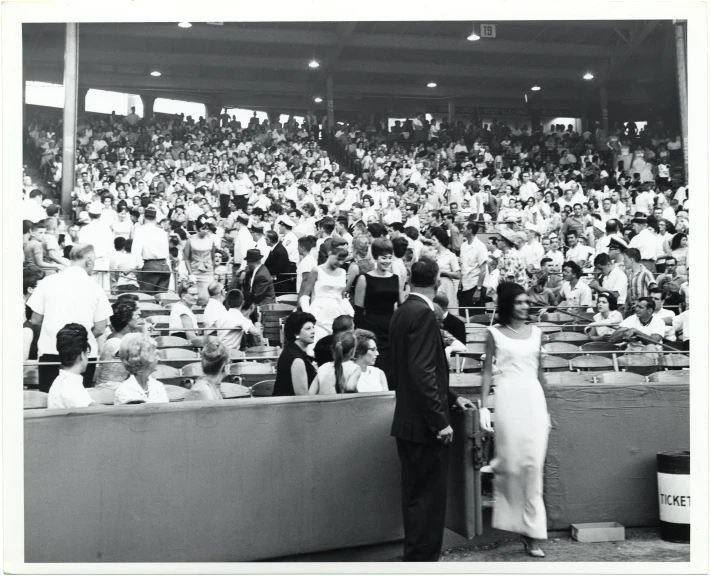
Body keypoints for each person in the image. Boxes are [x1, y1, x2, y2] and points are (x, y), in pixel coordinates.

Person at [389, 257, 474, 561]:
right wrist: (441, 420)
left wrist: (451, 397)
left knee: (415, 500)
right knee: (428, 502)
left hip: (407, 420)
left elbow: (417, 369)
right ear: (438, 282)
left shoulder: (401, 312)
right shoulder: (423, 313)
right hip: (425, 425)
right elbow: (424, 372)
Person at [480, 282, 549, 558]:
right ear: (508, 304)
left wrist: (547, 408)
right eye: (519, 302)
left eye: (526, 302)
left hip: (533, 399)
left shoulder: (537, 333)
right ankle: (519, 525)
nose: (525, 306)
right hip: (507, 399)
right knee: (513, 466)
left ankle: (532, 533)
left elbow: (540, 372)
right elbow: (486, 373)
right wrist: (484, 407)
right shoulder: (493, 333)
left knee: (533, 466)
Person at [27, 244, 113, 392]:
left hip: (51, 350)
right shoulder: (96, 287)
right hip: (81, 355)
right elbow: (100, 328)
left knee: (50, 403)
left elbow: (35, 320)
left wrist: (54, 334)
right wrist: (77, 339)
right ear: (89, 261)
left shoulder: (47, 282)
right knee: (80, 408)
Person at [353, 238, 400, 382]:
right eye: (383, 258)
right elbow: (359, 310)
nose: (386, 261)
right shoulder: (364, 278)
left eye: (389, 258)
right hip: (371, 329)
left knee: (392, 369)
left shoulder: (396, 278)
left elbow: (401, 305)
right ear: (375, 257)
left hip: (390, 329)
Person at [300, 238, 354, 342]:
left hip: (338, 313)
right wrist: (307, 315)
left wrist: (350, 311)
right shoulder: (317, 270)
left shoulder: (342, 272)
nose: (341, 262)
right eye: (338, 259)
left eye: (343, 259)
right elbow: (305, 296)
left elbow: (341, 296)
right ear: (329, 253)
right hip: (319, 313)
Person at [94, 298, 146, 388]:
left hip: (121, 387)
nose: (140, 317)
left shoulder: (122, 339)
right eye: (137, 315)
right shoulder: (115, 343)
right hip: (110, 390)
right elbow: (145, 358)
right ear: (126, 319)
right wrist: (145, 333)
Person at [47, 324, 96, 409]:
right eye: (87, 353)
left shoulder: (64, 381)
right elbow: (98, 412)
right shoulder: (70, 385)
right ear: (82, 355)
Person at [114, 333, 169, 404]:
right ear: (143, 359)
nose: (159, 358)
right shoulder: (124, 391)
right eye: (155, 355)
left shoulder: (159, 386)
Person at [272, 311, 318, 396]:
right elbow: (302, 397)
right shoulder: (297, 359)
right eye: (308, 328)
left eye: (313, 327)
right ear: (296, 333)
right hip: (288, 407)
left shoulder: (293, 350)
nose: (313, 331)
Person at [132, 206, 171, 294]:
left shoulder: (140, 230)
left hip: (150, 266)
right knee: (161, 298)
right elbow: (166, 253)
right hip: (164, 266)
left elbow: (136, 251)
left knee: (147, 298)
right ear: (155, 218)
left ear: (144, 217)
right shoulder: (162, 232)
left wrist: (132, 267)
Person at [308, 331, 360, 395]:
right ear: (352, 351)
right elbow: (350, 387)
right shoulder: (354, 368)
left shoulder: (323, 367)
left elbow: (310, 393)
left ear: (333, 349)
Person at [183, 219, 216, 306]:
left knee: (208, 296)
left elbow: (213, 258)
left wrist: (213, 271)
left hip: (208, 271)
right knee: (195, 295)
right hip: (195, 271)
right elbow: (186, 258)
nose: (205, 231)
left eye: (207, 229)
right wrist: (190, 274)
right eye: (203, 228)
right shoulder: (190, 240)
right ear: (198, 228)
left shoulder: (211, 241)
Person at [429, 227, 461, 310]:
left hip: (446, 284)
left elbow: (458, 274)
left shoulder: (450, 255)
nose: (431, 242)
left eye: (434, 240)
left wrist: (444, 272)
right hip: (435, 283)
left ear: (440, 241)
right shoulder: (432, 255)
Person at [458, 221, 488, 309]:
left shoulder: (480, 246)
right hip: (463, 285)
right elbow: (463, 266)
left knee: (475, 317)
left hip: (474, 286)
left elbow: (483, 270)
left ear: (470, 230)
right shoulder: (463, 246)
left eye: (463, 228)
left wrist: (478, 290)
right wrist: (460, 284)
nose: (461, 230)